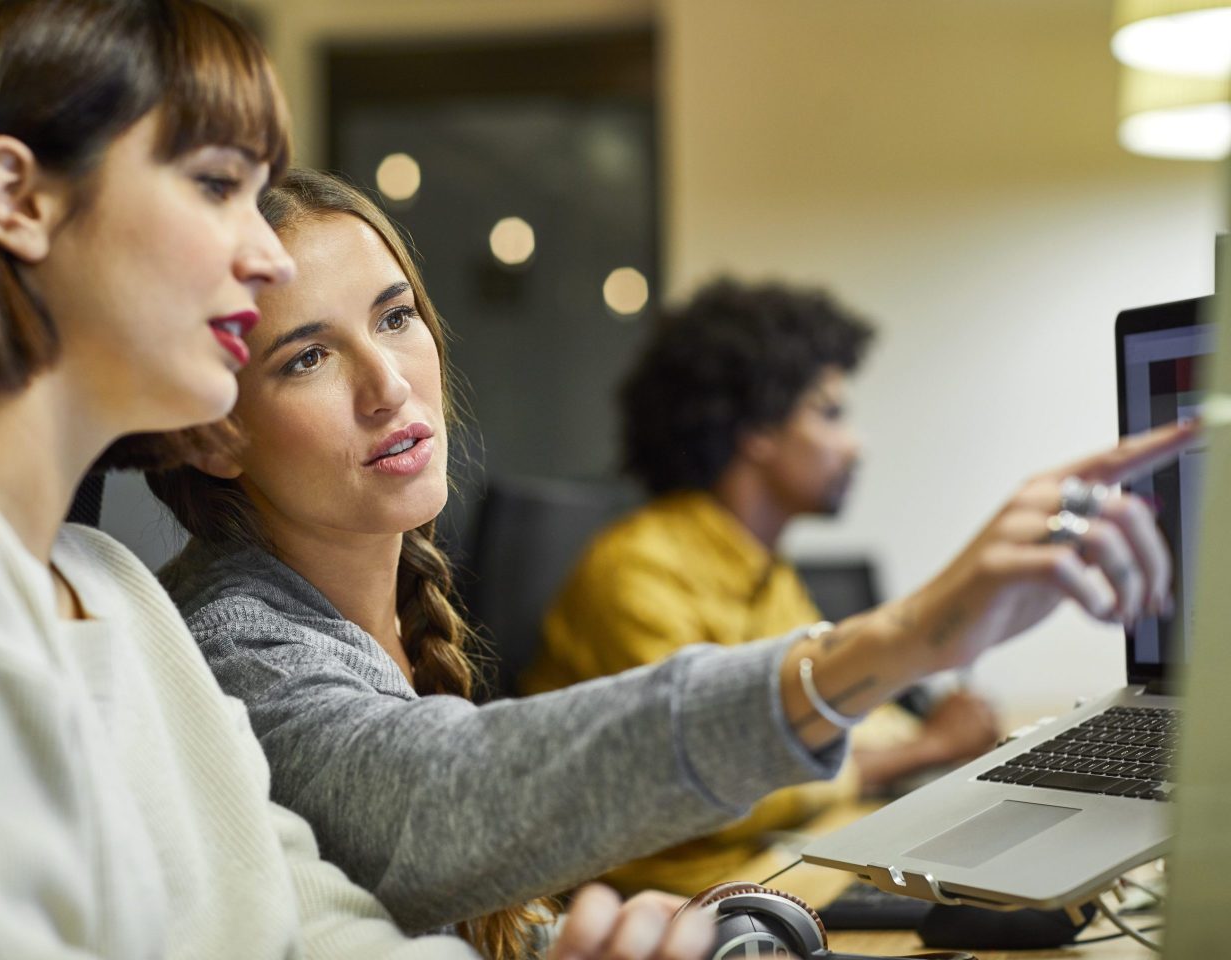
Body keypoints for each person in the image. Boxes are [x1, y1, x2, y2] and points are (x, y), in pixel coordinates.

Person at [0, 4, 713, 959]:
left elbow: (305, 929)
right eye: (217, 184)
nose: (266, 251)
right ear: (18, 199)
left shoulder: (111, 585)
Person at [147, 168, 1191, 954]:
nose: (390, 386)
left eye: (397, 315)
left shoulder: (368, 615)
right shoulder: (231, 642)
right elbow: (439, 801)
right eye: (309, 357)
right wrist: (907, 638)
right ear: (213, 429)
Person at [520, 279, 1001, 896]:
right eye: (829, 413)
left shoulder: (764, 571)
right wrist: (926, 747)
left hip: (771, 865)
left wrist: (950, 737)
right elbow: (716, 780)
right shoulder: (634, 572)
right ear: (757, 433)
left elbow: (840, 712)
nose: (855, 444)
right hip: (676, 903)